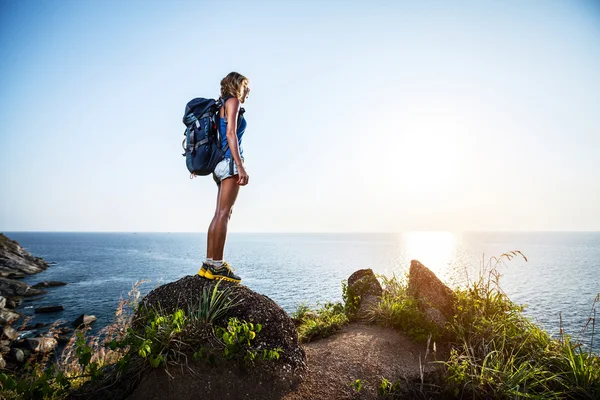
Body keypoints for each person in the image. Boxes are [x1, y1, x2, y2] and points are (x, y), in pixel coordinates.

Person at [198, 72, 250, 283]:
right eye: (247, 87)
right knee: (224, 214)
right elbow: (230, 134)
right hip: (229, 163)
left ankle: (209, 263)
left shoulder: (220, 105)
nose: (248, 91)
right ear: (238, 86)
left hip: (219, 165)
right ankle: (218, 266)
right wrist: (240, 165)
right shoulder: (233, 102)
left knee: (219, 213)